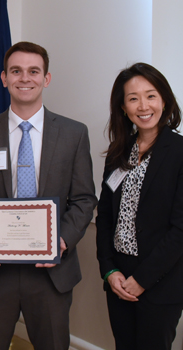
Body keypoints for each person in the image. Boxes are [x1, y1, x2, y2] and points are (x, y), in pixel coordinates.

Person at [0, 41, 97, 350]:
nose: (25, 78)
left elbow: (84, 199)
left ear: (46, 78)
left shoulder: (74, 134)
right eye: (17, 71)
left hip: (52, 271)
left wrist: (61, 241)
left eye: (34, 71)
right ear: (4, 78)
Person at [96, 62, 183, 350]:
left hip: (161, 281)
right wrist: (110, 271)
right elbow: (105, 217)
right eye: (133, 98)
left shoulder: (179, 152)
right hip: (119, 279)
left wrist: (142, 279)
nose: (143, 105)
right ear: (123, 107)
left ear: (164, 101)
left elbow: (180, 228)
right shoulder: (118, 154)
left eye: (151, 95)